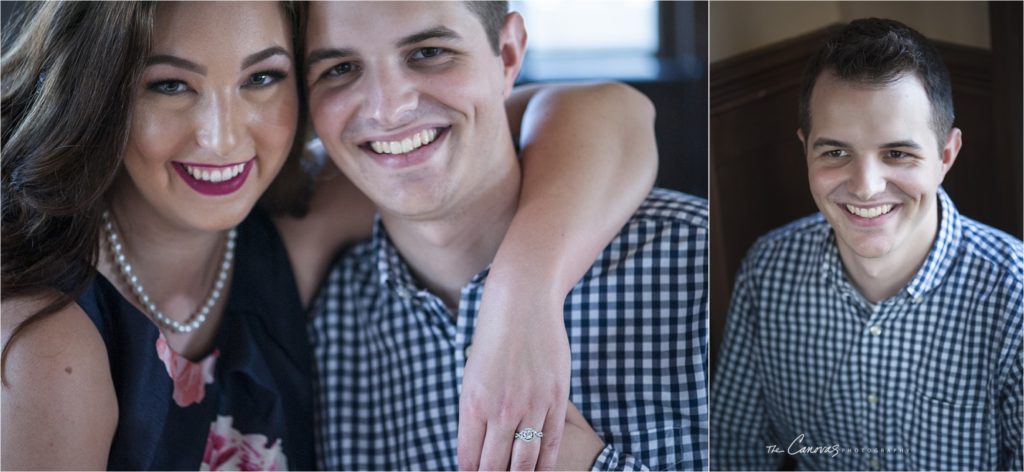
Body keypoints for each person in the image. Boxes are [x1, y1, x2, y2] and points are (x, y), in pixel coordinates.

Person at [0, 2, 660, 469]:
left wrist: (521, 302)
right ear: (99, 91)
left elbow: (607, 111)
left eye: (262, 78)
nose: (224, 136)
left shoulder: (293, 225)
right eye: (169, 85)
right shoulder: (47, 345)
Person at [304, 2, 708, 470]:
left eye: (429, 52)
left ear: (509, 54)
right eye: (341, 68)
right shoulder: (317, 328)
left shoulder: (692, 267)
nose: (389, 108)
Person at [711, 18, 1023, 471]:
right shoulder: (766, 270)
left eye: (897, 153)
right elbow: (735, 448)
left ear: (945, 157)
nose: (865, 187)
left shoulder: (1013, 295)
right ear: (806, 152)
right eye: (835, 152)